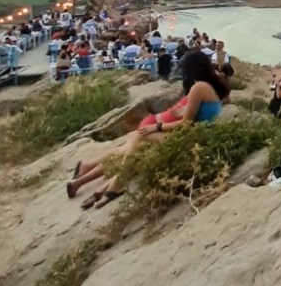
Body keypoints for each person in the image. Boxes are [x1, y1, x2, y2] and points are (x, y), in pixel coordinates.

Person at [66, 51, 230, 209]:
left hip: (191, 140)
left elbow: (186, 123)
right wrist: (181, 113)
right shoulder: (213, 85)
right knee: (129, 149)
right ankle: (97, 182)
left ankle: (112, 184)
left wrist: (157, 127)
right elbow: (202, 112)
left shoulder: (198, 87)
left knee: (137, 140)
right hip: (197, 136)